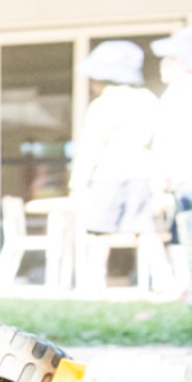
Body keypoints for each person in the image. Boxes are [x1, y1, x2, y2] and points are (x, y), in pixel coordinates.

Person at [71, 40, 170, 292]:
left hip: (106, 176)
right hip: (142, 175)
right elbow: (160, 143)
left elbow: (90, 147)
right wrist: (160, 181)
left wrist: (77, 184)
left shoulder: (102, 105)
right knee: (145, 230)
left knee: (99, 232)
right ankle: (164, 279)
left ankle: (94, 281)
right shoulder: (147, 100)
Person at [151, 28, 192, 294]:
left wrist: (159, 181)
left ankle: (187, 289)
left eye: (168, 60)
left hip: (185, 178)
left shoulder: (176, 94)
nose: (162, 65)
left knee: (186, 232)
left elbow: (166, 142)